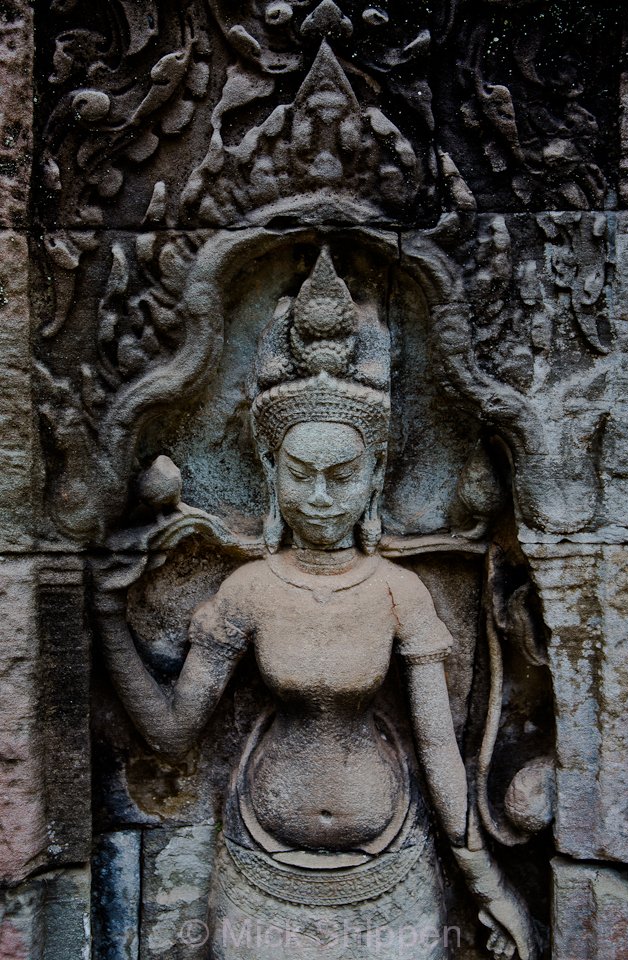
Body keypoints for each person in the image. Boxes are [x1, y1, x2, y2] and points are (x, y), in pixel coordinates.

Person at [96, 249, 536, 960]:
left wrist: (488, 884)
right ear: (272, 472)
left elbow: (440, 756)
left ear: (375, 476)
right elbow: (174, 734)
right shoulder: (249, 591)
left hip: (390, 869)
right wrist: (109, 618)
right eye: (302, 475)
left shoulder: (398, 592)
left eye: (343, 475)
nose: (322, 498)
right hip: (259, 871)